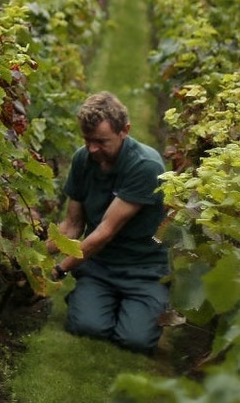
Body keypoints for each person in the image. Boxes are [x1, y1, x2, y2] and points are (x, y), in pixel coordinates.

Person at [56, 92, 170, 354]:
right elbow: (72, 225)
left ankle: (140, 304)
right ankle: (96, 298)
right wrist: (35, 255)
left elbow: (105, 232)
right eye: (87, 140)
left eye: (101, 141)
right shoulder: (83, 160)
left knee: (135, 341)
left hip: (144, 270)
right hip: (100, 266)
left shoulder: (145, 166)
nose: (92, 149)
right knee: (87, 327)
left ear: (124, 131)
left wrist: (59, 270)